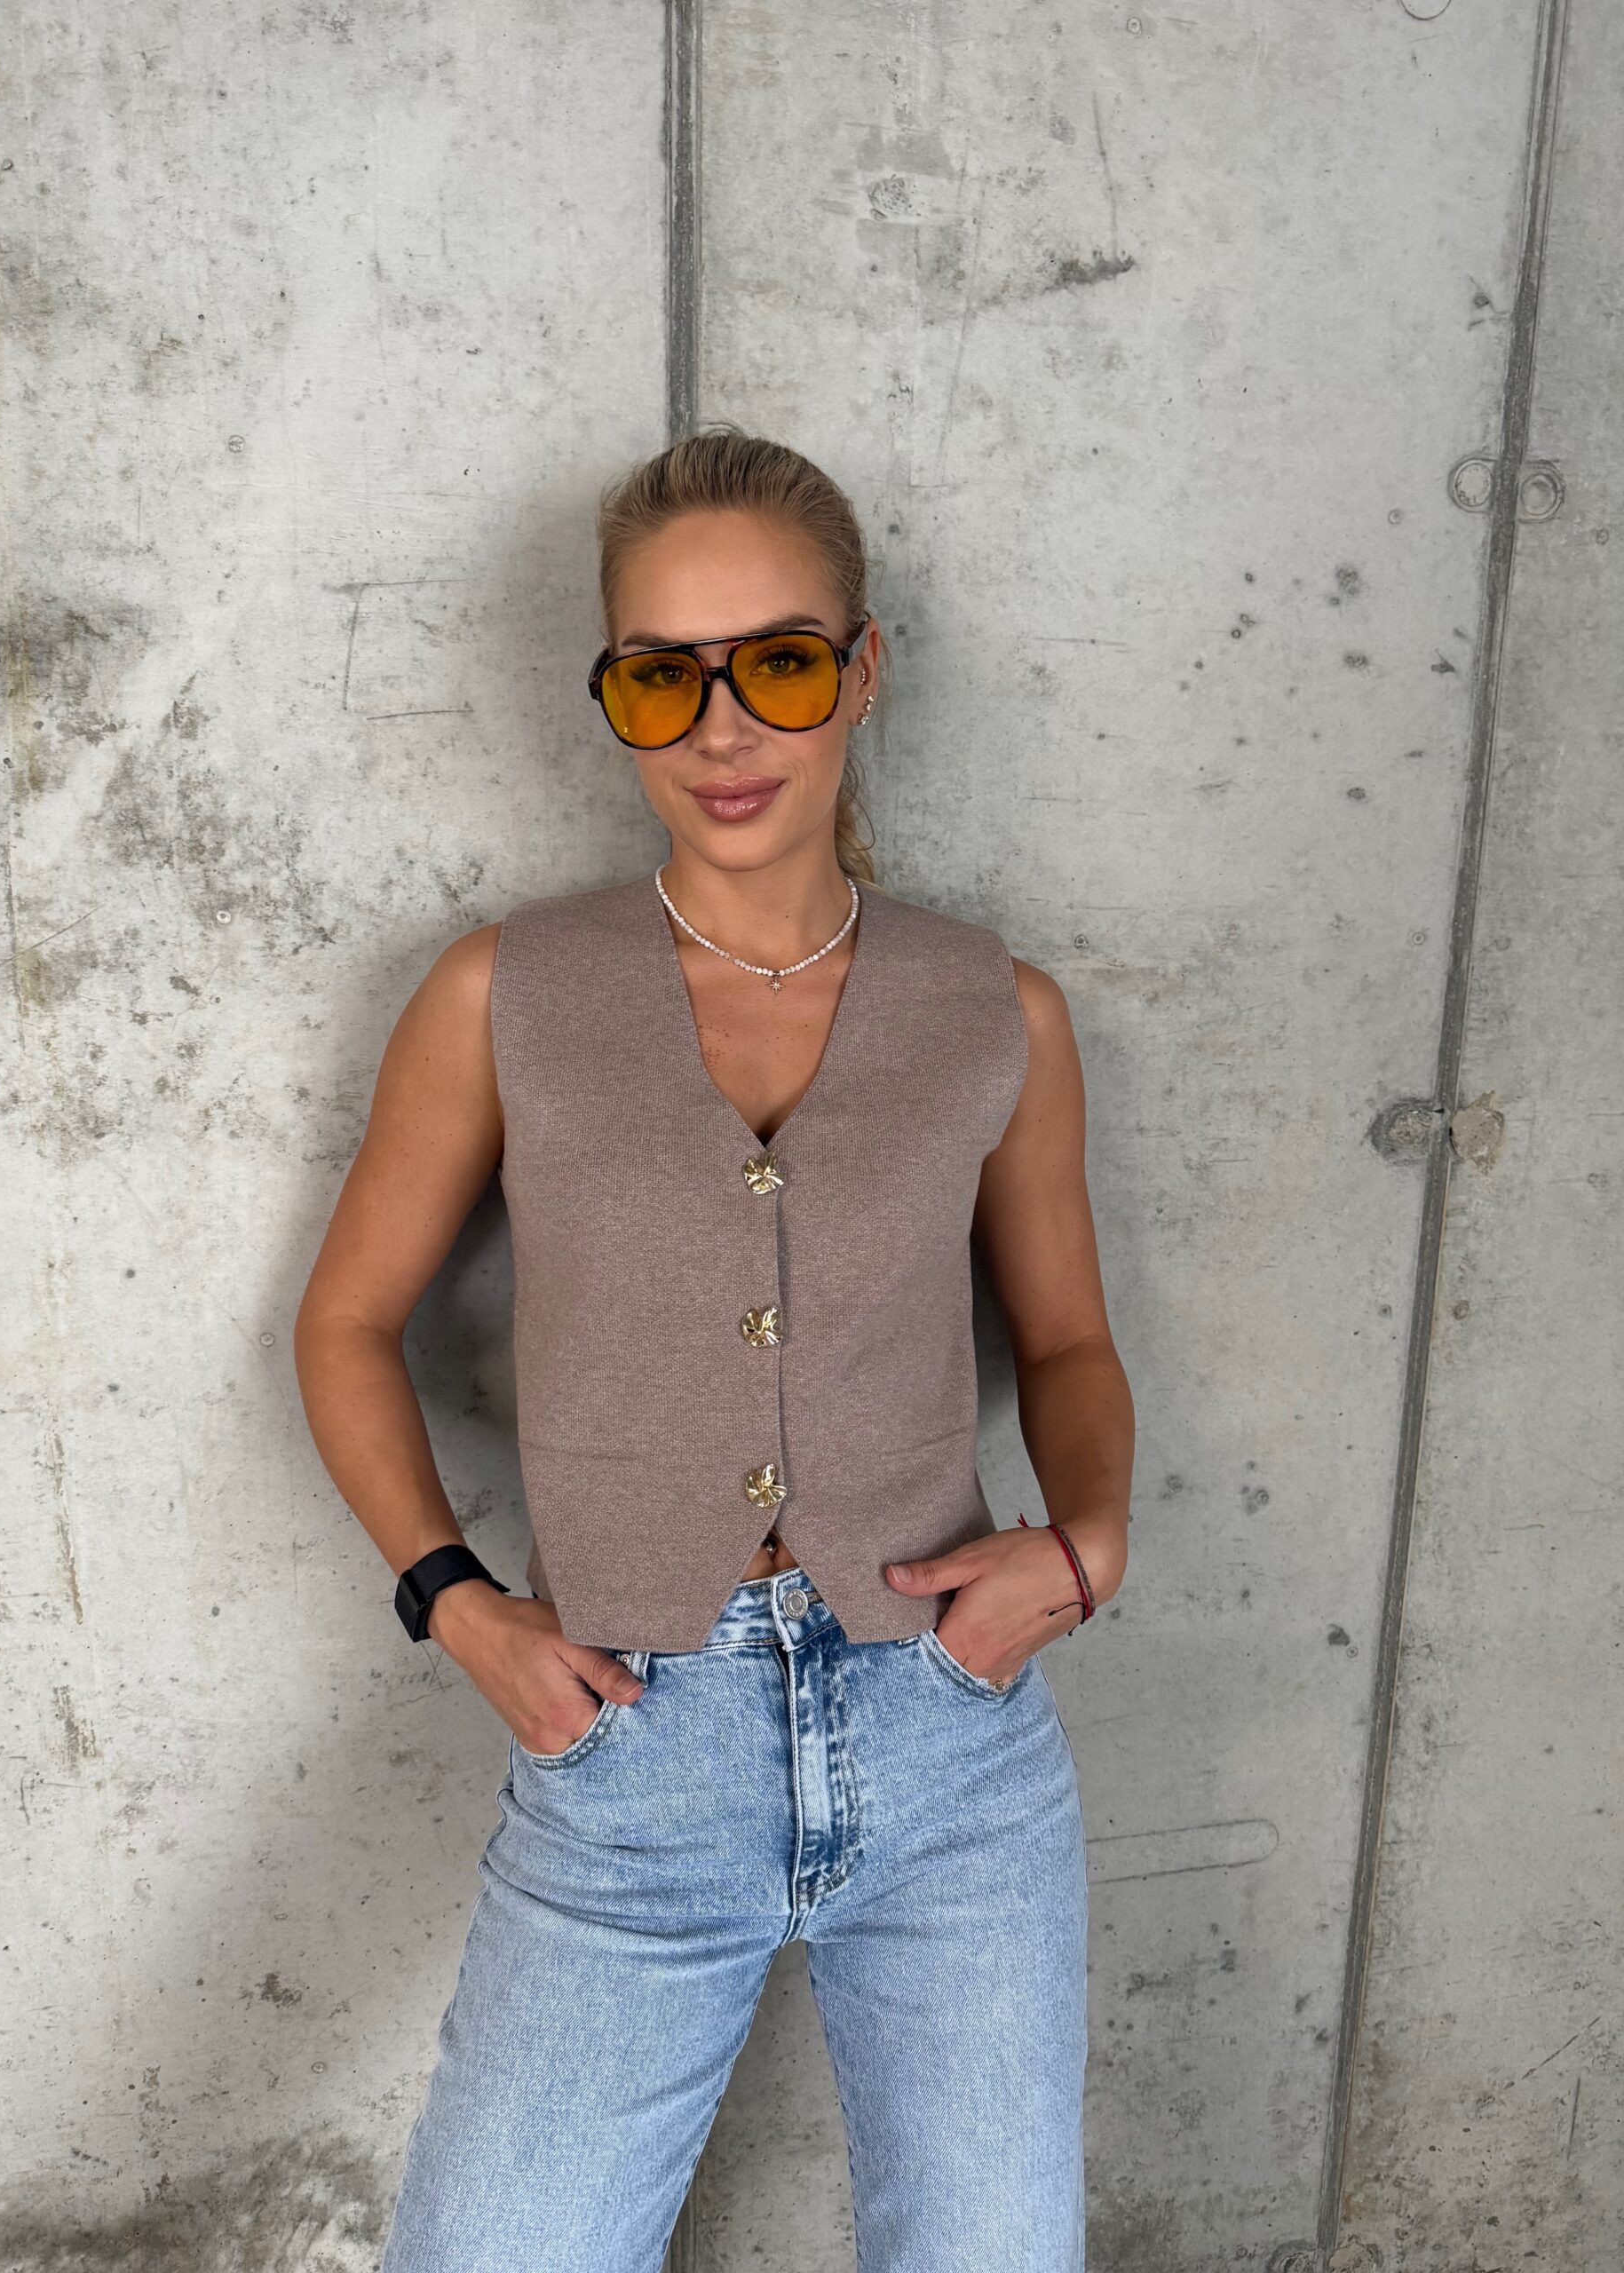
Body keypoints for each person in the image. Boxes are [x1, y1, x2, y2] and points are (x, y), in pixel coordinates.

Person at [293, 423, 1135, 2272]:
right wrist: (457, 1603)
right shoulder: (502, 992)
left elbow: (1069, 1340)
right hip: (632, 1756)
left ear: (863, 670)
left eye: (779, 663)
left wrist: (1084, 1549)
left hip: (951, 1742)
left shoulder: (997, 1008)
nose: (724, 729)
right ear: (615, 697)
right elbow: (344, 1324)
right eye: (662, 678)